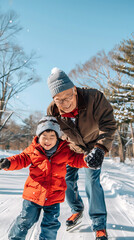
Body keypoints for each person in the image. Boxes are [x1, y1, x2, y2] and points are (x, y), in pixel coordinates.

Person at [47, 67, 117, 240]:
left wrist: (100, 148)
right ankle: (77, 209)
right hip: (71, 148)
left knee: (92, 182)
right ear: (53, 100)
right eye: (59, 100)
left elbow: (108, 124)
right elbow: (49, 134)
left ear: (75, 91)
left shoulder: (94, 98)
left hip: (94, 146)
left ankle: (99, 225)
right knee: (66, 179)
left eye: (68, 96)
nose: (65, 103)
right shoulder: (53, 111)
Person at [0, 116, 88, 240]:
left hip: (54, 196)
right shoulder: (33, 149)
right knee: (25, 220)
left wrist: (88, 160)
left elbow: (77, 159)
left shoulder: (65, 150)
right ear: (38, 136)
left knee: (50, 225)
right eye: (44, 137)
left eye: (52, 137)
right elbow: (21, 159)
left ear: (57, 137)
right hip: (33, 195)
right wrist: (8, 163)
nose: (48, 141)